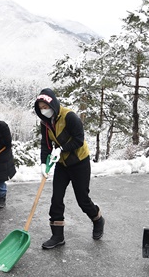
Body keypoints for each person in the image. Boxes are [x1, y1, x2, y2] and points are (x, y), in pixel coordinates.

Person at [34, 88, 105, 249]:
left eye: (45, 106)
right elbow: (45, 145)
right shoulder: (45, 123)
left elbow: (79, 140)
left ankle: (97, 219)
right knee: (56, 198)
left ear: (53, 103)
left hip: (79, 162)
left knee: (82, 200)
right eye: (41, 108)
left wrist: (61, 149)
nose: (43, 110)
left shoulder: (69, 117)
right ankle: (57, 235)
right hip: (62, 164)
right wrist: (43, 163)